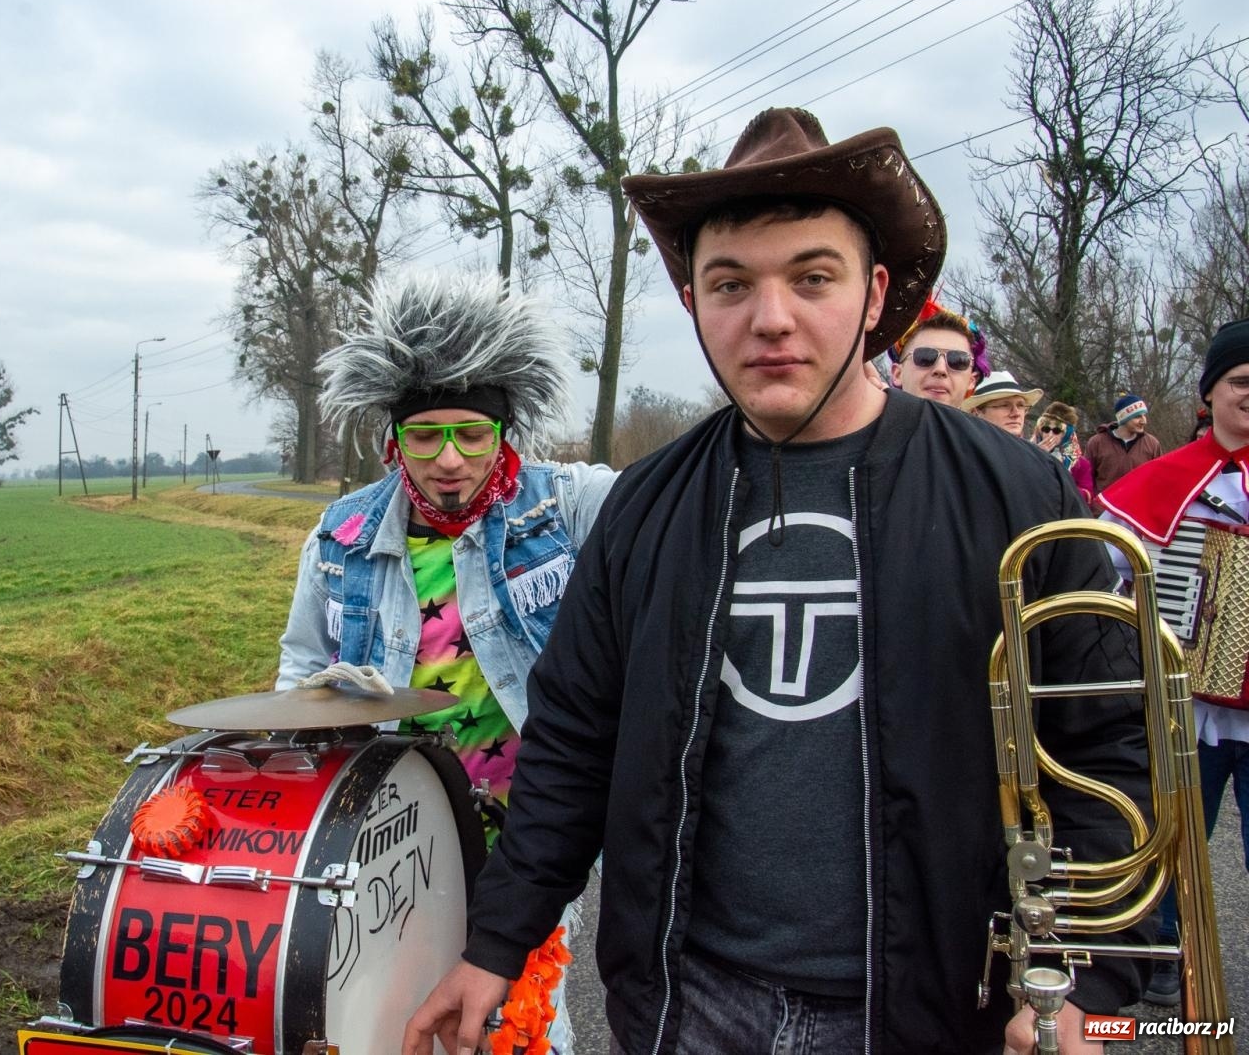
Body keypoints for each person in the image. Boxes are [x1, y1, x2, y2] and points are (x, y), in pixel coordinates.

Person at [404, 107, 1148, 1055]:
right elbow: (574, 746)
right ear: (691, 303)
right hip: (691, 1005)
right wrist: (497, 940)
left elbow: (1104, 750)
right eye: (730, 284)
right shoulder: (645, 508)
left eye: (813, 277)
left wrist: (1092, 982)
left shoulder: (1014, 493)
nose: (771, 318)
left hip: (935, 1004)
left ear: (876, 295)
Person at [277, 272, 615, 1055]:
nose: (451, 459)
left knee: (516, 1026)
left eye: (472, 433)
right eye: (425, 436)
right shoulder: (340, 535)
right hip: (397, 833)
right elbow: (301, 666)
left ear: (505, 431)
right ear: (394, 440)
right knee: (401, 1012)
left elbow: (675, 505)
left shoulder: (565, 506)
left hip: (531, 833)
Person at [1096, 317, 1249, 1008]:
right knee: (1173, 832)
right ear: (1207, 395)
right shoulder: (1166, 478)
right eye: (1241, 382)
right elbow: (1105, 565)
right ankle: (1162, 950)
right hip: (1187, 699)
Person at [886, 302, 988, 407]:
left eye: (958, 360)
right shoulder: (872, 421)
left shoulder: (982, 424)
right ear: (897, 374)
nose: (940, 369)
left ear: (971, 381)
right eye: (925, 357)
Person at [1085, 393, 1162, 494]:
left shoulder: (1152, 444)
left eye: (1144, 416)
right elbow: (1085, 479)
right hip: (1103, 507)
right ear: (1123, 418)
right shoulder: (1097, 443)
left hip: (1137, 507)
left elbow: (1158, 479)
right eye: (1137, 416)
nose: (1144, 421)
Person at [1033, 400, 1094, 504]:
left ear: (1066, 434)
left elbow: (1088, 495)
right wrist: (1037, 456)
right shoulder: (1028, 452)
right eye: (1046, 429)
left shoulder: (1080, 463)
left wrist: (1062, 490)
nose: (1050, 434)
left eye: (1056, 431)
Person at [961, 370, 1043, 437]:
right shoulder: (963, 453)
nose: (1016, 413)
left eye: (1020, 405)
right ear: (975, 413)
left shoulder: (1031, 455)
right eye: (1004, 405)